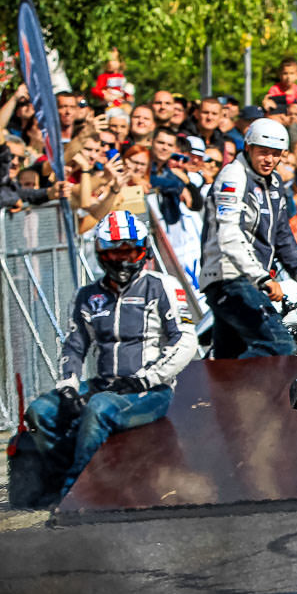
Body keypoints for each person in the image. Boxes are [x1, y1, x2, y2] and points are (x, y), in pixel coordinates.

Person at [24, 212, 196, 500]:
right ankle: (66, 481)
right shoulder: (87, 295)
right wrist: (68, 386)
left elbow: (186, 340)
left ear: (143, 251)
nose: (123, 260)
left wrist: (146, 379)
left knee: (98, 407)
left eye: (129, 252)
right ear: (102, 254)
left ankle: (75, 493)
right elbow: (74, 345)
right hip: (104, 385)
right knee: (40, 411)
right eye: (115, 252)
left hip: (152, 391)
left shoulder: (163, 286)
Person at [198, 117, 297, 358]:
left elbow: (282, 235)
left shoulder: (275, 182)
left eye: (276, 154)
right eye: (263, 152)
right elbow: (228, 235)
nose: (269, 159)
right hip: (229, 278)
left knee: (229, 361)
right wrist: (262, 278)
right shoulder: (233, 176)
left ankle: (207, 384)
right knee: (279, 347)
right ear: (248, 148)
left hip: (249, 279)